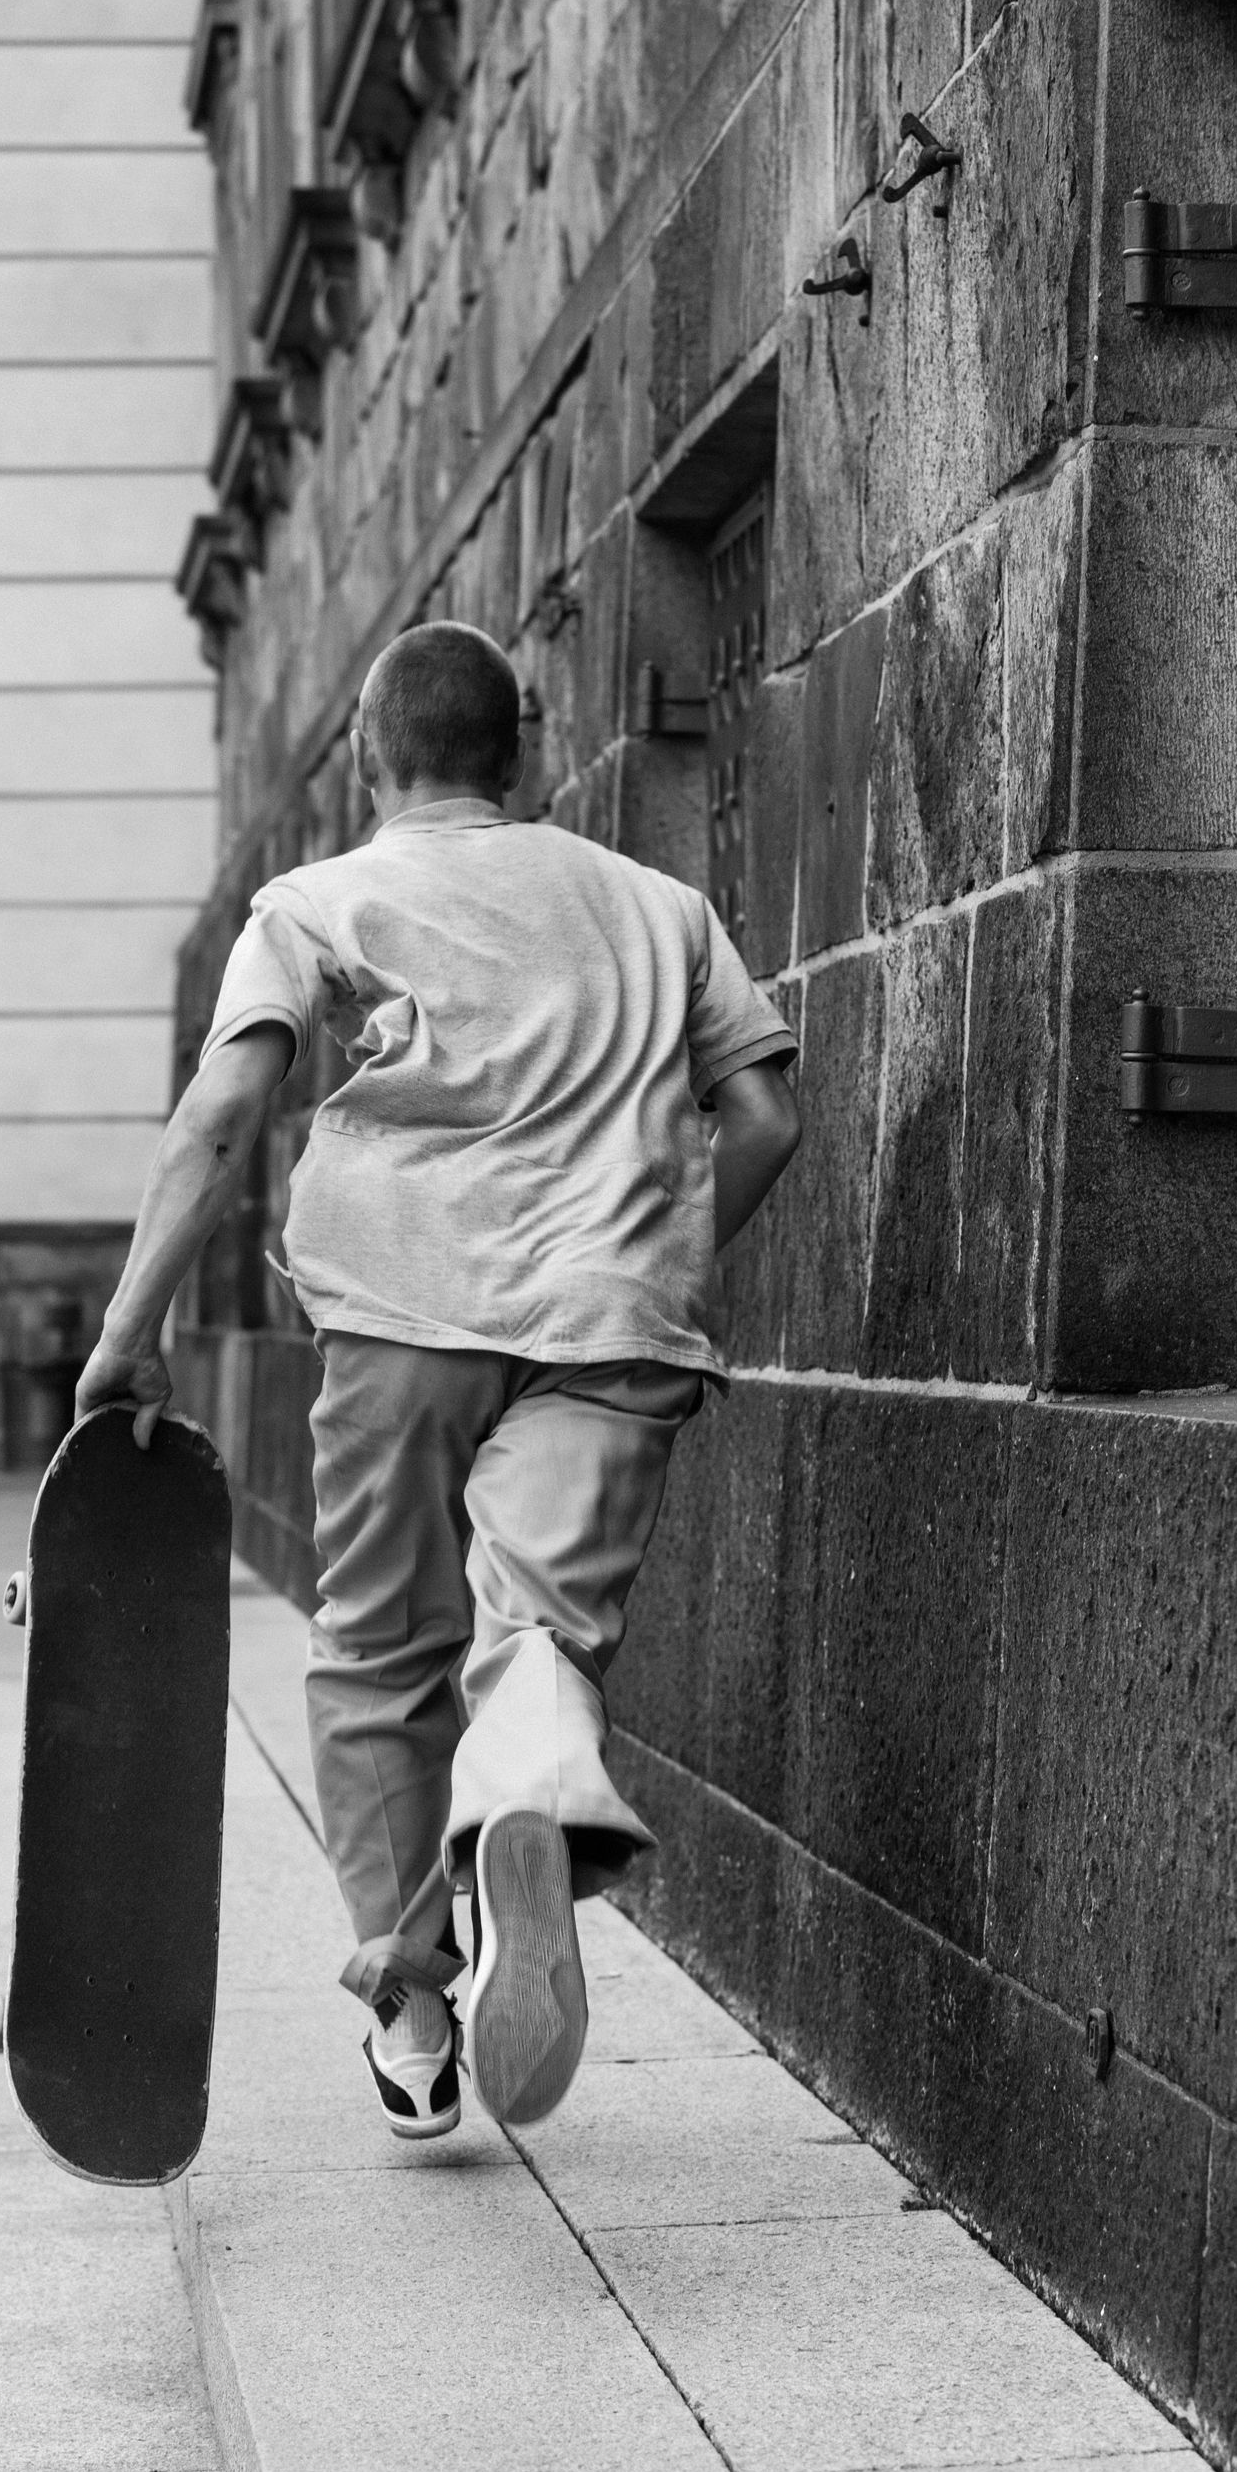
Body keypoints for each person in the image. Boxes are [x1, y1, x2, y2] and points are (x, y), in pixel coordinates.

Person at [76, 621, 802, 2139]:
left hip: (401, 1314)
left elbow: (225, 1110)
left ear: (370, 758)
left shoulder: (322, 900)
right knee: (533, 1627)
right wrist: (654, 1254)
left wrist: (132, 1325)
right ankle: (530, 1781)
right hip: (614, 1328)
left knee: (382, 1650)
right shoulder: (659, 905)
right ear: (518, 752)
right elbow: (763, 1118)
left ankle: (413, 2008)